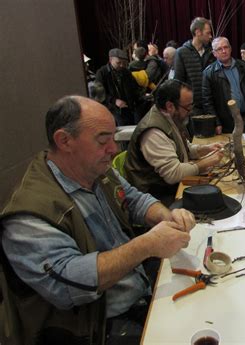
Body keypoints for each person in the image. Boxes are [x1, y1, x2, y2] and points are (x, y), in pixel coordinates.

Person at [0, 95, 195, 345]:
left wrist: (167, 216)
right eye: (103, 140)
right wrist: (147, 245)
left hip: (136, 287)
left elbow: (133, 199)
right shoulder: (28, 217)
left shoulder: (95, 170)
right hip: (97, 326)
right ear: (64, 140)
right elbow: (70, 285)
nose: (113, 149)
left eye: (113, 137)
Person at [124, 80, 224, 205]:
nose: (191, 110)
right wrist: (205, 163)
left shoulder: (171, 117)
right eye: (188, 107)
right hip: (156, 198)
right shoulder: (153, 131)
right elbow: (173, 174)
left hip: (169, 188)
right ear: (170, 106)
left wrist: (206, 149)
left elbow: (184, 149)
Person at [202, 37, 245, 134]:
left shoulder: (243, 66)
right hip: (226, 123)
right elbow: (207, 102)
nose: (224, 51)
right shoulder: (209, 73)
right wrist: (216, 122)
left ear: (231, 49)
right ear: (214, 53)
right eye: (219, 49)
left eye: (226, 47)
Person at [174, 17, 215, 116]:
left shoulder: (212, 51)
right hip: (192, 108)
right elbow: (178, 81)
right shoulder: (182, 52)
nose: (210, 36)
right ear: (198, 32)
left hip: (212, 105)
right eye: (208, 33)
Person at [95, 48, 141, 126]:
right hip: (112, 110)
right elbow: (99, 94)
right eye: (118, 63)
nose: (121, 65)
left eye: (123, 63)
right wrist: (114, 100)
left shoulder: (126, 72)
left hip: (128, 109)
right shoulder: (102, 73)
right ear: (110, 60)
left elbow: (135, 88)